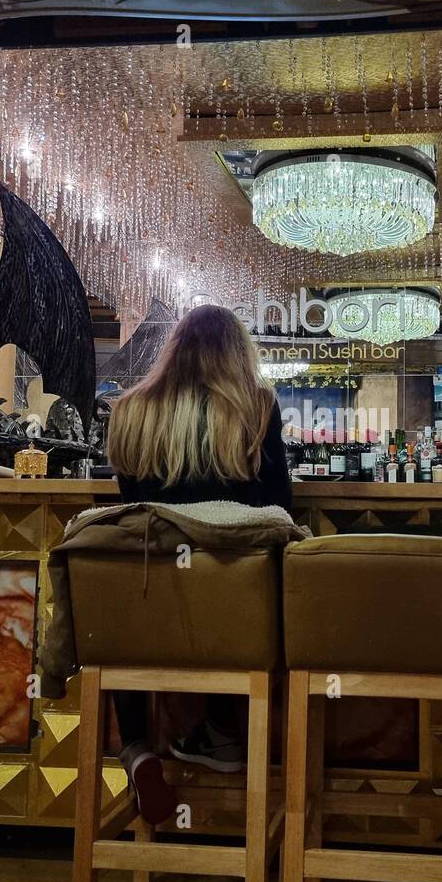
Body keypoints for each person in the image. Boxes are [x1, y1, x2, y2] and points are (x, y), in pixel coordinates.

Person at [105, 303, 291, 824]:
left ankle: (139, 747)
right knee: (236, 590)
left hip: (150, 599)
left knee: (125, 626)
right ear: (239, 352)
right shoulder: (257, 405)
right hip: (234, 601)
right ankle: (225, 732)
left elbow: (134, 502)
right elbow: (277, 507)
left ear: (172, 350)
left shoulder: (130, 409)